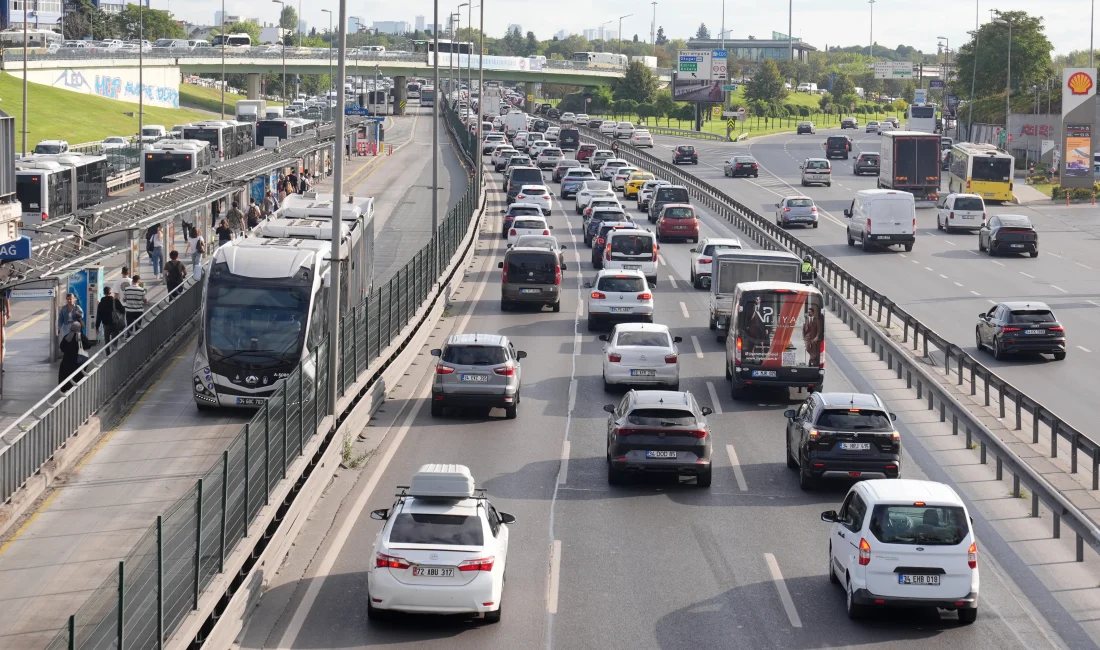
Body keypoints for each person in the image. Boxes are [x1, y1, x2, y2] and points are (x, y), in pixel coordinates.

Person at [58, 321, 95, 390]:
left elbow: (62, 348)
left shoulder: (67, 337)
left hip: (66, 362)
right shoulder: (81, 337)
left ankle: (65, 390)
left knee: (65, 377)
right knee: (77, 377)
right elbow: (88, 345)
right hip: (78, 361)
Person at [95, 287, 125, 352]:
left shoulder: (101, 303)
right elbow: (123, 311)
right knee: (114, 340)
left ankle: (108, 355)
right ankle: (113, 354)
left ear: (104, 293)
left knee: (107, 340)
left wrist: (97, 326)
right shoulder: (115, 301)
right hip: (115, 323)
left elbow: (98, 316)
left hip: (106, 324)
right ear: (110, 292)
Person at [803, 303, 824, 368]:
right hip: (807, 338)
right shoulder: (806, 320)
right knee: (808, 348)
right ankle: (814, 358)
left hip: (814, 338)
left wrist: (817, 337)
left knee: (813, 349)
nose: (809, 313)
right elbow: (803, 329)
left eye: (810, 312)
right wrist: (803, 337)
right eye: (808, 312)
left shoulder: (816, 320)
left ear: (813, 313)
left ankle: (811, 361)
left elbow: (819, 330)